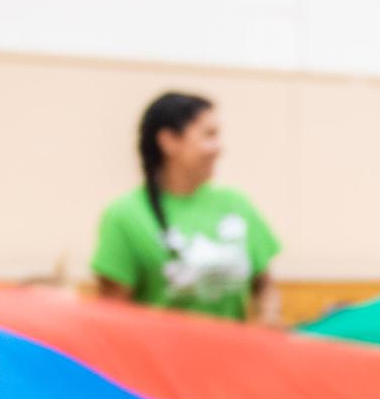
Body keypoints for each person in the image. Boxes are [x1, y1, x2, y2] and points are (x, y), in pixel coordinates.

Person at [93, 92, 282, 324]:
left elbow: (265, 288)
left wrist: (267, 326)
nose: (218, 148)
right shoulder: (125, 215)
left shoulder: (236, 204)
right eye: (209, 135)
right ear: (169, 141)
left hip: (233, 357)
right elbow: (111, 316)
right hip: (158, 358)